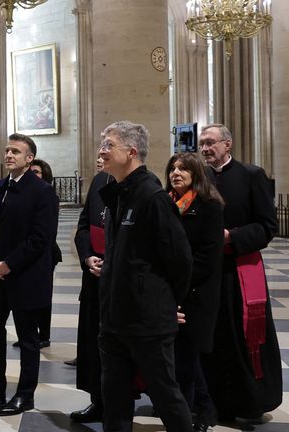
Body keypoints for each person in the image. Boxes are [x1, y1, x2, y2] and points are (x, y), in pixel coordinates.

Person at [96, 121, 194, 432]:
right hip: (114, 317)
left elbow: (180, 260)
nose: (102, 150)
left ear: (131, 152)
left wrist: (165, 303)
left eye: (109, 144)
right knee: (114, 397)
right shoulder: (117, 194)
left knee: (166, 395)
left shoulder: (152, 197)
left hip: (147, 320)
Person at [0, 134, 58, 416]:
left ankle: (25, 394)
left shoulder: (42, 191)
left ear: (29, 158)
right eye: (7, 150)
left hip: (25, 276)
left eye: (15, 151)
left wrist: (9, 264)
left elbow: (40, 239)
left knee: (28, 338)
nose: (9, 155)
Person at [198, 124, 282, 420]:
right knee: (210, 335)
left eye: (211, 143)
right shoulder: (200, 177)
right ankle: (210, 400)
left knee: (239, 335)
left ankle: (246, 401)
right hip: (206, 271)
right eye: (202, 144)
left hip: (238, 271)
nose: (206, 149)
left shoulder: (250, 175)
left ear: (227, 144)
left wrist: (231, 237)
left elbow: (268, 226)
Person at [165, 152, 225, 432]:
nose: (176, 173)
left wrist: (176, 284)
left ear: (197, 174)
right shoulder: (165, 203)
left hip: (195, 293)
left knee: (189, 356)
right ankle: (195, 408)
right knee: (179, 355)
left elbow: (207, 259)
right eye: (173, 169)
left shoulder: (209, 206)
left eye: (183, 169)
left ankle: (197, 412)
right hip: (170, 291)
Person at [70, 153, 112, 423]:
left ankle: (121, 403)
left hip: (122, 279)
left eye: (108, 146)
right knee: (93, 339)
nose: (101, 154)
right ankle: (97, 400)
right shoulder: (98, 181)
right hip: (94, 273)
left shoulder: (146, 185)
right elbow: (84, 225)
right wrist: (87, 257)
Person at [12, 158, 61, 350]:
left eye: (37, 172)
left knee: (42, 295)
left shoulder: (47, 195)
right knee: (27, 295)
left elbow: (48, 231)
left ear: (45, 175)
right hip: (28, 251)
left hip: (46, 252)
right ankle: (28, 333)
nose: (33, 176)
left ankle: (44, 335)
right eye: (30, 172)